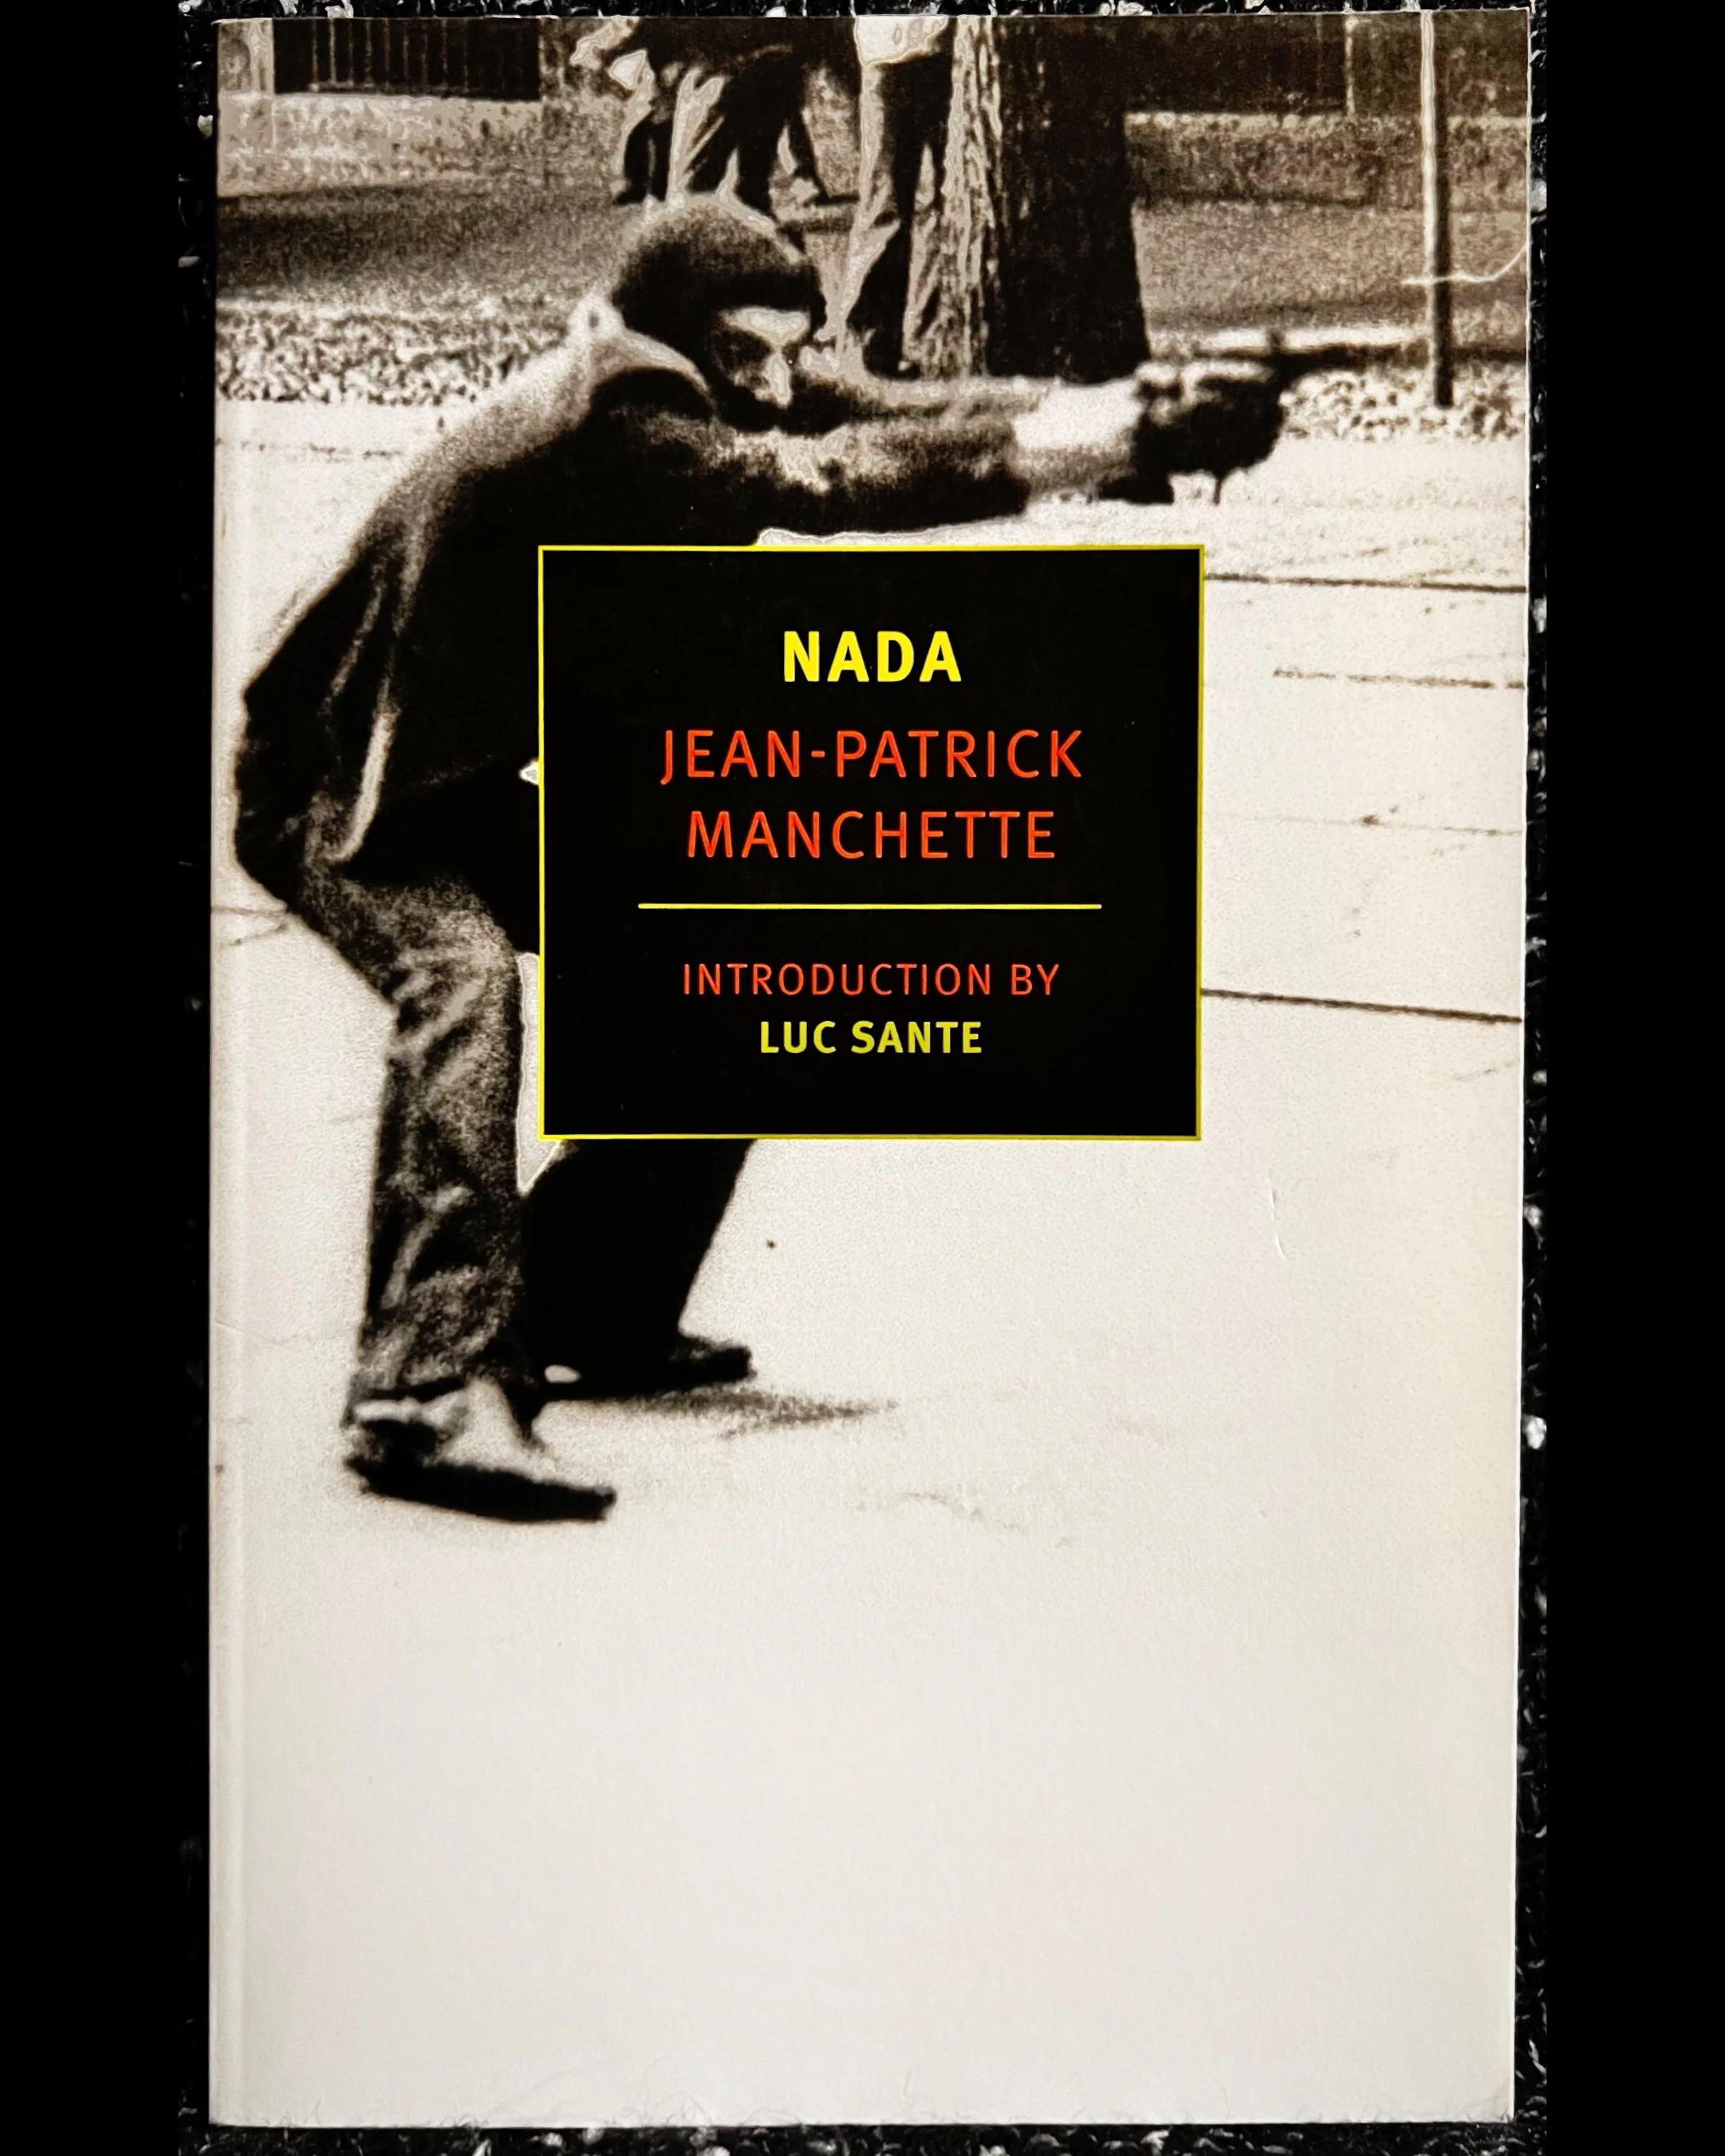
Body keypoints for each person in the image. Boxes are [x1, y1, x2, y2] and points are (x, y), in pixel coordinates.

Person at [234, 201, 1281, 1509]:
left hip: (444, 779)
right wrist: (1126, 441)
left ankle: (591, 1300)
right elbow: (826, 485)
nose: (780, 385)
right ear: (678, 341)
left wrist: (1130, 402)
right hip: (339, 790)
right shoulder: (620, 423)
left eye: (791, 352)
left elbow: (882, 406)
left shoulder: (699, 373)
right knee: (462, 983)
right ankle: (424, 1387)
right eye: (752, 357)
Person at [837, 17, 955, 379]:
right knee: (885, 208)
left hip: (941, 52)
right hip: (889, 53)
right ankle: (870, 348)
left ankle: (927, 341)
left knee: (945, 205)